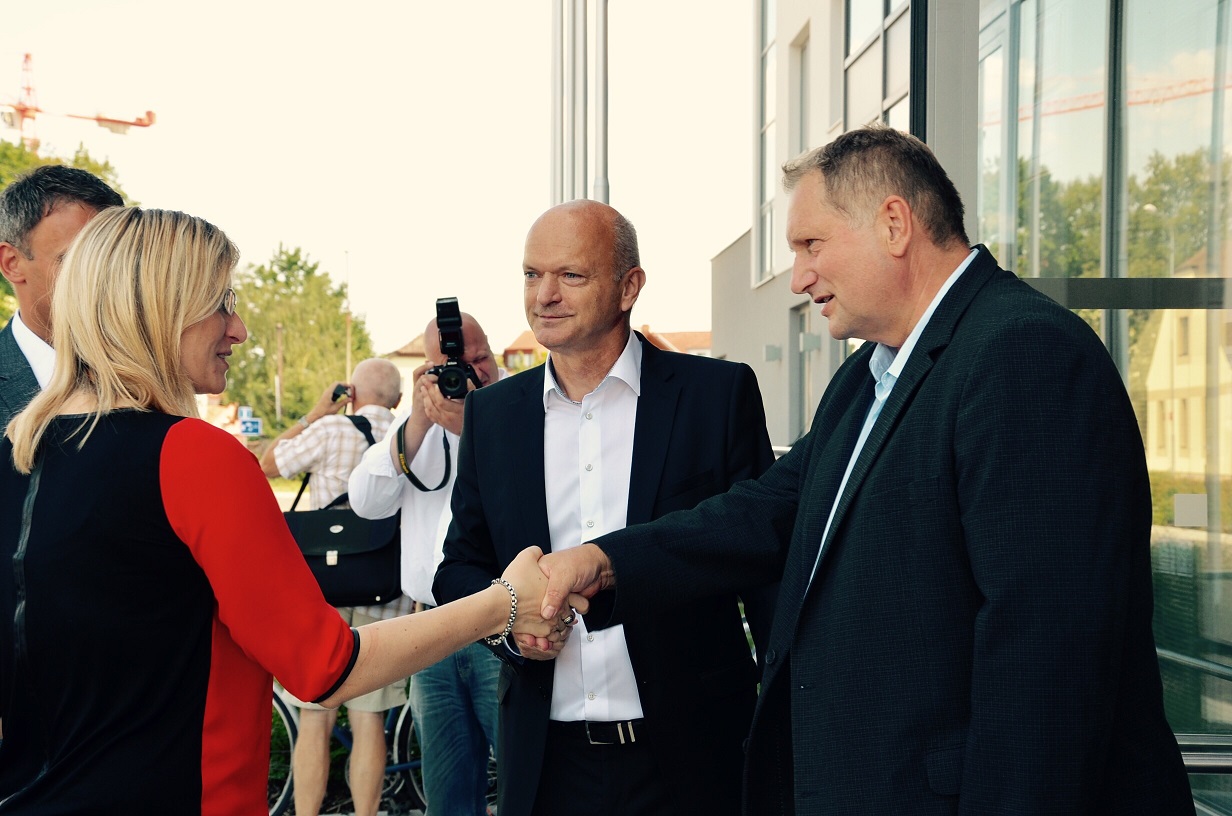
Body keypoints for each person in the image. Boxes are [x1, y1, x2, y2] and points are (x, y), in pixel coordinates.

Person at [536, 125, 1195, 815]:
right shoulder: (868, 377)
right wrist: (604, 562)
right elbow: (763, 513)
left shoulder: (1023, 354)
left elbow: (1045, 671)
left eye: (811, 245)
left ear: (893, 224)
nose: (799, 278)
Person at [0, 206, 579, 815]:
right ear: (160, 310)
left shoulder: (19, 453)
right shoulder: (194, 457)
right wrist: (503, 602)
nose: (240, 329)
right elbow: (325, 666)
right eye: (221, 302)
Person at [432, 199, 776, 816]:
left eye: (570, 275)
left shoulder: (716, 397)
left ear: (629, 287)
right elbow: (458, 567)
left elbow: (763, 565)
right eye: (532, 274)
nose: (544, 296)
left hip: (695, 759)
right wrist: (512, 629)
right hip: (546, 765)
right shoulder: (494, 414)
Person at [348, 311, 502, 816]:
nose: (471, 372)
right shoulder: (418, 424)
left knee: (525, 781)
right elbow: (367, 502)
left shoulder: (517, 409)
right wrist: (418, 420)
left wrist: (475, 426)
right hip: (431, 632)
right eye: (453, 366)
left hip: (500, 629)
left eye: (480, 358)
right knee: (446, 792)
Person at [260, 357, 411, 816]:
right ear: (397, 400)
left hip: (321, 593)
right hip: (384, 593)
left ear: (351, 394)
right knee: (369, 720)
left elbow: (267, 463)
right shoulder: (408, 436)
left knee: (313, 717)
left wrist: (316, 413)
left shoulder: (329, 430)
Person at [0, 164, 123, 427]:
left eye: (110, 260)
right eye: (75, 260)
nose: (100, 277)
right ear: (12, 263)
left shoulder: (145, 376)